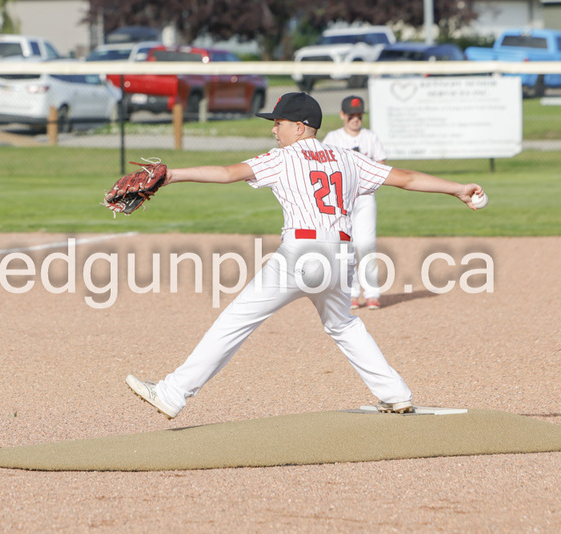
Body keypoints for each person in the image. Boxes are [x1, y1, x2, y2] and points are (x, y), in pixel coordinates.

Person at [126, 92, 485, 419]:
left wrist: (172, 175)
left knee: (236, 320)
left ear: (299, 127)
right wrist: (457, 189)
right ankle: (395, 394)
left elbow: (227, 173)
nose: (274, 129)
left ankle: (173, 393)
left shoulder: (282, 158)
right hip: (341, 255)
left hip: (300, 255)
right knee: (343, 324)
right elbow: (406, 178)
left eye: (278, 123)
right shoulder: (348, 158)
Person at [323, 95, 386, 310]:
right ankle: (351, 293)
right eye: (351, 115)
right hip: (341, 200)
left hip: (365, 198)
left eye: (359, 114)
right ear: (343, 115)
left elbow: (381, 166)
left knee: (366, 244)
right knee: (344, 246)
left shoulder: (370, 137)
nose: (355, 119)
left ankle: (372, 293)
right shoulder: (333, 138)